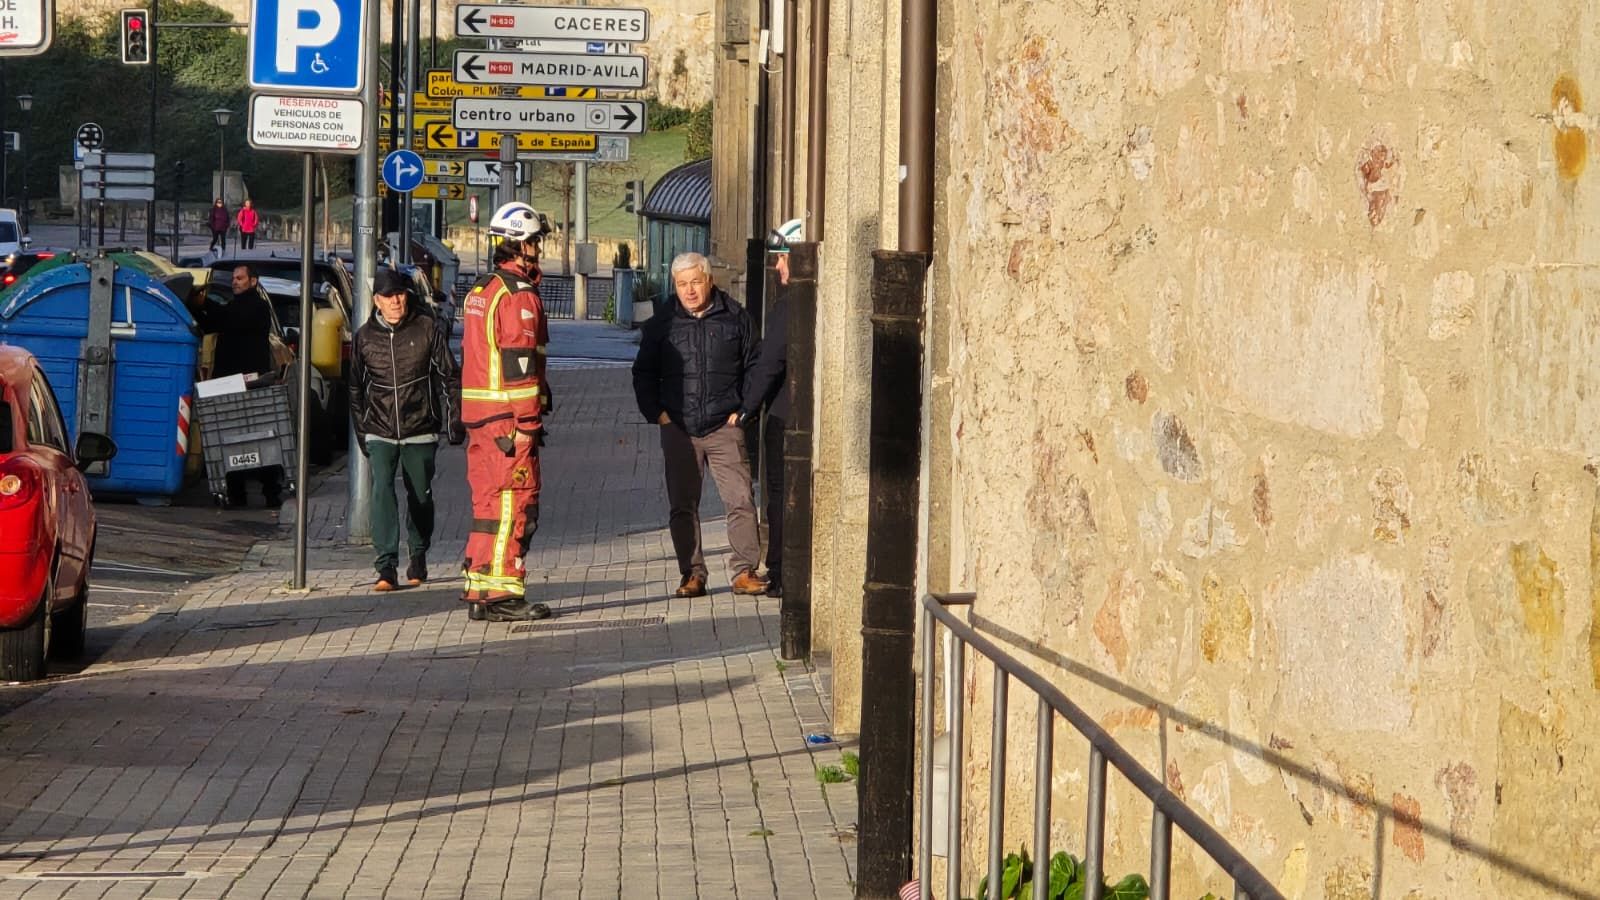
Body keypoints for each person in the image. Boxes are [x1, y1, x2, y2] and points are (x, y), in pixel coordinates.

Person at [632, 252, 768, 600]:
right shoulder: (663, 322)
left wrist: (745, 409)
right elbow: (643, 372)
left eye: (695, 282)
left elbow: (756, 365)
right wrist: (658, 415)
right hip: (678, 427)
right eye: (681, 284)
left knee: (740, 500)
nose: (689, 290)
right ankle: (692, 573)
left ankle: (745, 570)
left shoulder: (735, 318)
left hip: (725, 424)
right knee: (683, 505)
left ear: (709, 280)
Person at [458, 202, 554, 622]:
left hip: (480, 420)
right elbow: (520, 365)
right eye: (536, 242)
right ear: (522, 245)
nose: (539, 250)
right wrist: (529, 424)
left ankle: (480, 586)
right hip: (508, 423)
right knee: (516, 504)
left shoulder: (482, 290)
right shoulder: (518, 297)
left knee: (487, 506)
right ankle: (503, 592)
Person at [350, 267, 462, 591]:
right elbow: (355, 389)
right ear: (376, 301)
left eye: (400, 294)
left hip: (419, 426)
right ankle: (385, 566)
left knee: (420, 496)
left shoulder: (426, 328)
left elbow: (450, 376)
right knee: (382, 490)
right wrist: (362, 432)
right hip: (380, 428)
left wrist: (454, 419)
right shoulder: (364, 338)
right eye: (389, 296)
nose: (396, 301)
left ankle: (418, 552)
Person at [188, 265, 283, 507]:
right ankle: (236, 491)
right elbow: (212, 325)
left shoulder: (257, 307)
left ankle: (270, 491)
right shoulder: (233, 306)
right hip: (229, 382)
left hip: (251, 385)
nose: (235, 282)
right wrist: (197, 307)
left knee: (258, 437)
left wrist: (204, 303)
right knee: (231, 439)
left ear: (253, 281)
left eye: (240, 278)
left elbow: (227, 320)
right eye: (233, 278)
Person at [742, 219, 802, 597]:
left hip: (783, 415)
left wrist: (745, 408)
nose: (778, 268)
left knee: (780, 497)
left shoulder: (788, 307)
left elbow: (770, 363)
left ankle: (780, 570)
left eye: (783, 259)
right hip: (794, 411)